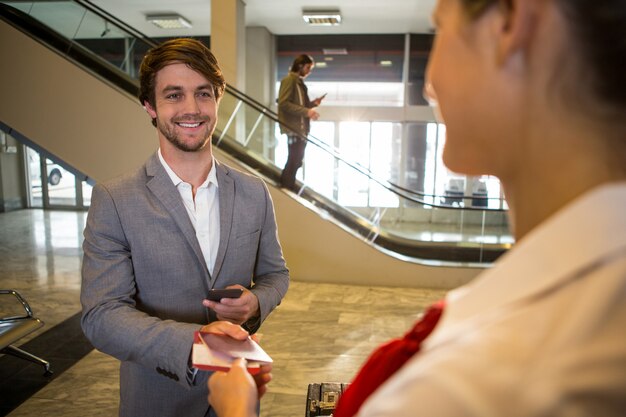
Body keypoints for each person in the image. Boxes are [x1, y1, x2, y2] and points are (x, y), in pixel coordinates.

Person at [207, 0, 626, 415]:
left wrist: (238, 410)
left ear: (510, 23)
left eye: (439, 30)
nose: (429, 85)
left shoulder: (466, 387)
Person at [80, 38, 290, 417]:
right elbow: (102, 314)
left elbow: (276, 275)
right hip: (158, 400)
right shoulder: (115, 199)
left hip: (241, 398)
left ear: (218, 99)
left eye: (203, 94)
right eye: (174, 95)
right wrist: (201, 344)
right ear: (150, 106)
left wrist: (256, 302)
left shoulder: (253, 192)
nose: (191, 109)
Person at [277, 54, 325, 190]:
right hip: (293, 128)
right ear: (300, 66)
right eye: (308, 67)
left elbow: (299, 105)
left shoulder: (299, 83)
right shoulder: (289, 81)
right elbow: (284, 103)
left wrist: (312, 104)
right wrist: (307, 112)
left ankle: (288, 186)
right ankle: (286, 187)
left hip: (300, 128)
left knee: (297, 160)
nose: (309, 71)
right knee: (294, 159)